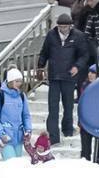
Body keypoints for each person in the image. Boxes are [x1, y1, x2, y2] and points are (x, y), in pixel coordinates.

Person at [37, 13, 88, 145]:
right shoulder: (51, 35)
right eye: (60, 26)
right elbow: (44, 52)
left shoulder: (78, 36)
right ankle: (53, 136)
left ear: (70, 26)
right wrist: (40, 67)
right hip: (54, 76)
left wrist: (77, 67)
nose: (63, 29)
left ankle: (67, 130)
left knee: (68, 105)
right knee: (53, 107)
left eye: (65, 26)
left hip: (69, 76)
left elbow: (84, 55)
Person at [0, 67, 32, 160]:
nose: (19, 84)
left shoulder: (21, 96)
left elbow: (26, 115)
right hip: (5, 139)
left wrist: (28, 129)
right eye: (17, 81)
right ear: (10, 81)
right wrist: (2, 133)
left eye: (20, 81)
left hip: (18, 138)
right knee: (11, 164)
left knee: (18, 164)